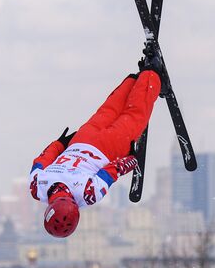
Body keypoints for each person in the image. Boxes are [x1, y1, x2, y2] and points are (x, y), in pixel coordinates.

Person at [29, 48, 166, 238]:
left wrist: (132, 159)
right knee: (109, 109)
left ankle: (152, 73)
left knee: (134, 116)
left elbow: (113, 170)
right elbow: (43, 158)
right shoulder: (37, 186)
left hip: (108, 147)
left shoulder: (87, 194)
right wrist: (61, 142)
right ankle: (135, 79)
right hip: (81, 139)